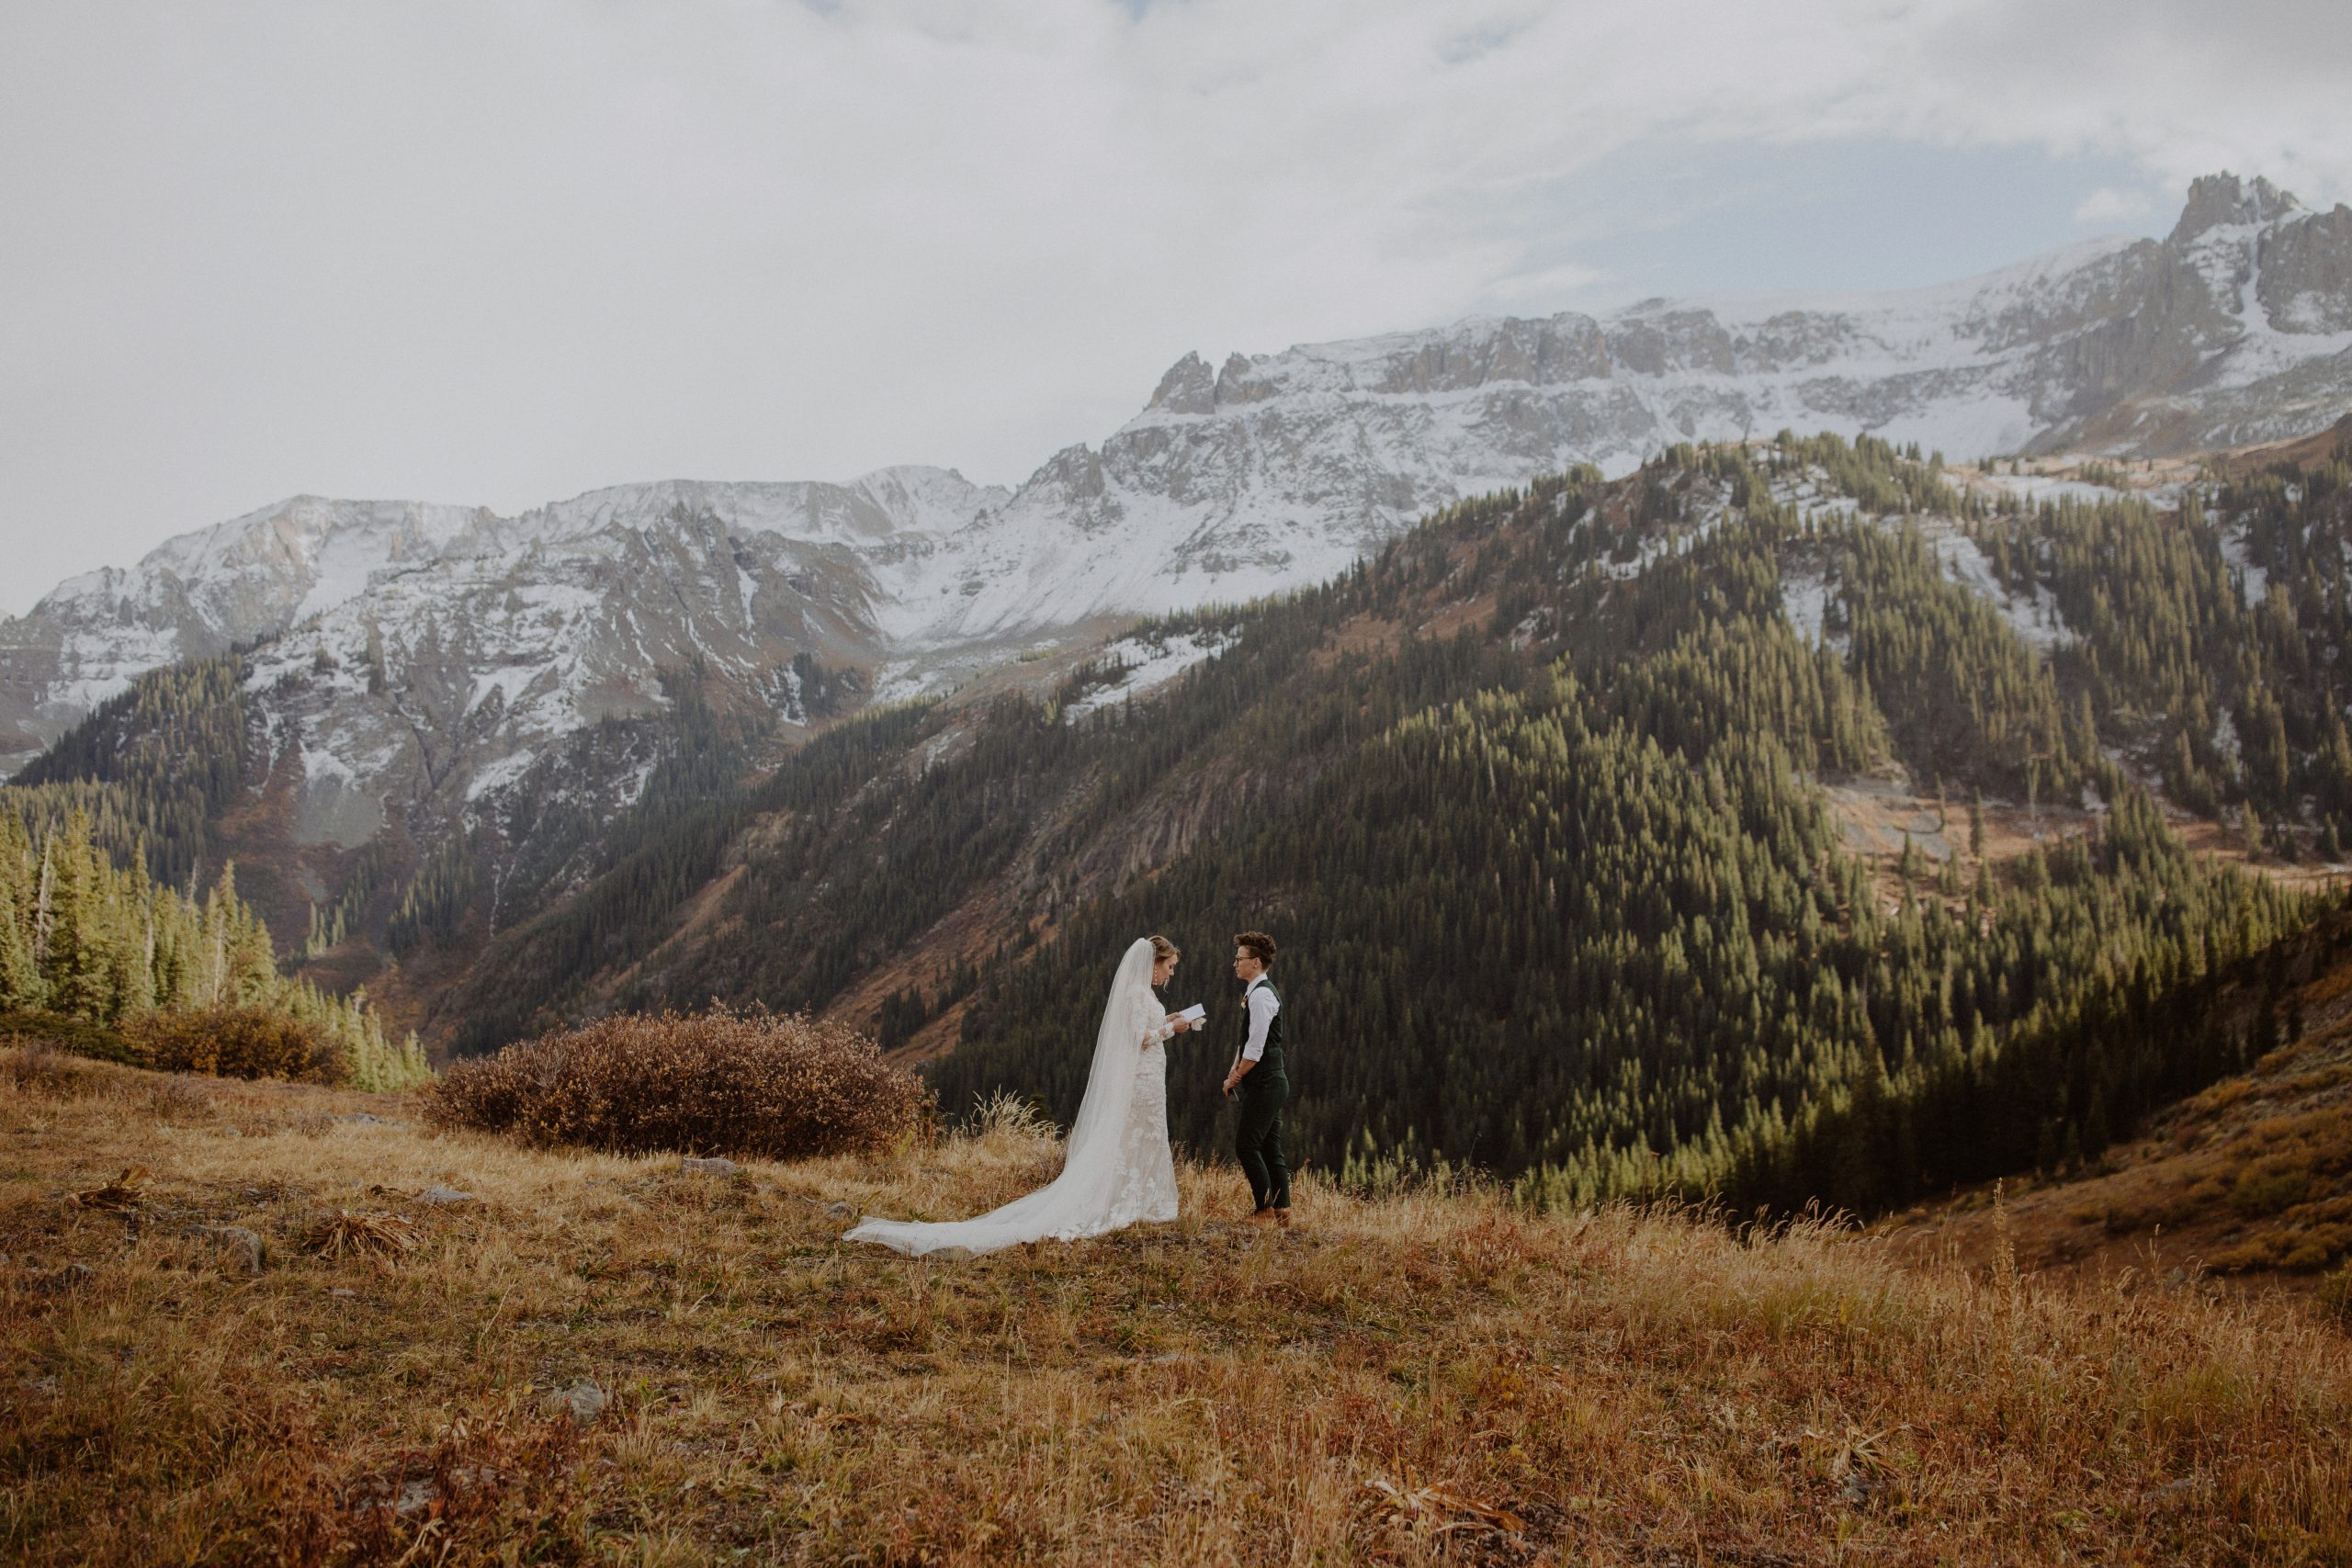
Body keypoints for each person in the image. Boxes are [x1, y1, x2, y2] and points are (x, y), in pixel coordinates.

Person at [843, 935, 1194, 1258]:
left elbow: (1147, 1031)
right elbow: (1137, 1038)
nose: (1171, 972)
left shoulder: (1145, 994)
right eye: (1169, 966)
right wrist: (1169, 1029)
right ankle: (1126, 1201)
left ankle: (1140, 1199)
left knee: (1141, 1137)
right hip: (1139, 1079)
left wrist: (1170, 1020)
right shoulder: (1135, 993)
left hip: (1149, 1078)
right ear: (1153, 963)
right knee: (1129, 1135)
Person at [1221, 929, 1291, 1225]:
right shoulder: (1256, 993)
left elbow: (1255, 1048)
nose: (1235, 963)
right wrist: (1232, 1070)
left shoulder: (1261, 996)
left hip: (1266, 1083)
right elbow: (1245, 1043)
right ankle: (1282, 1209)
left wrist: (1235, 1078)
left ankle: (1263, 1211)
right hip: (1269, 1082)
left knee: (1246, 1145)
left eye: (1240, 958)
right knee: (1269, 1146)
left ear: (1257, 962)